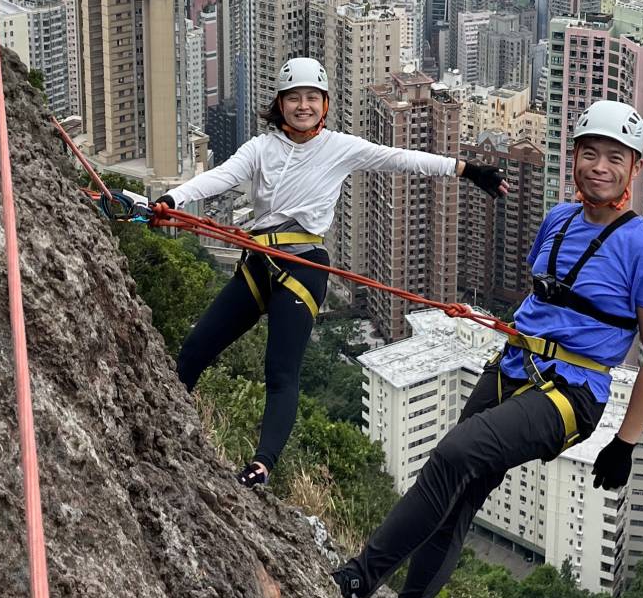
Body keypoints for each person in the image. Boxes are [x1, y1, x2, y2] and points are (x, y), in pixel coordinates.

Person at [332, 98, 643, 598]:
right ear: (573, 158)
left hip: (571, 394)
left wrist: (626, 442)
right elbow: (544, 299)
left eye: (615, 158)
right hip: (513, 365)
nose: (599, 167)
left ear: (635, 168)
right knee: (459, 495)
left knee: (453, 454)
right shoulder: (557, 220)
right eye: (589, 154)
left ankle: (357, 578)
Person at [154, 57, 506, 487]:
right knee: (197, 346)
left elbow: (401, 158)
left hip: (304, 267)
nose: (302, 105)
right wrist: (172, 200)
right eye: (294, 98)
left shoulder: (339, 147)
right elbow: (220, 177)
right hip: (259, 261)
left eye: (312, 98)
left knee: (280, 370)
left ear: (324, 105)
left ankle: (262, 465)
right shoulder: (260, 149)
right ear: (280, 104)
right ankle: (162, 419)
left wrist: (467, 170)